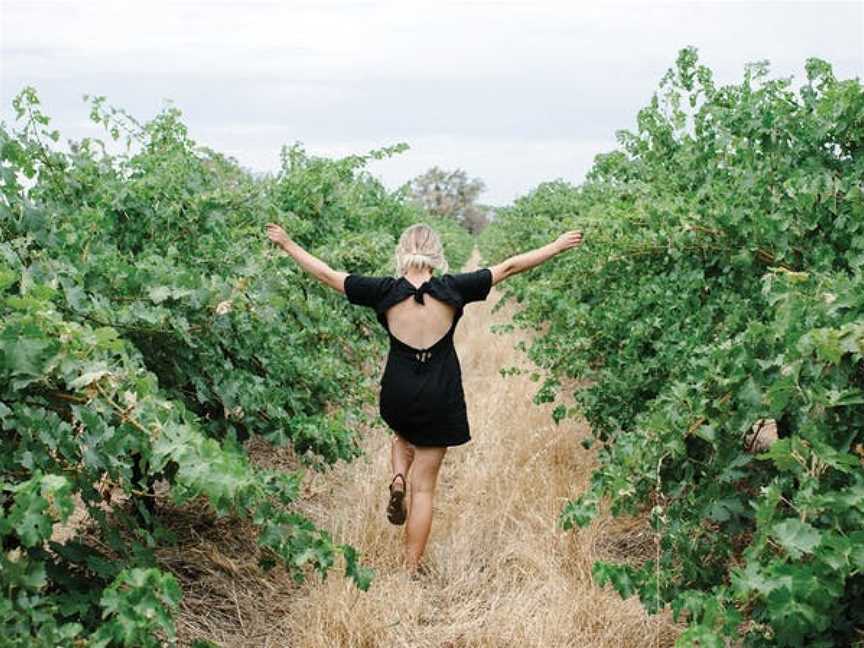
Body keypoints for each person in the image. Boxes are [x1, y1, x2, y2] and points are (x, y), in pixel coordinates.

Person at [265, 221, 583, 574]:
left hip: (398, 390)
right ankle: (410, 568)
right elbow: (509, 266)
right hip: (440, 391)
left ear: (402, 253)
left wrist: (288, 243)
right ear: (436, 254)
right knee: (426, 490)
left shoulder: (382, 290)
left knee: (402, 434)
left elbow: (326, 274)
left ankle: (398, 475)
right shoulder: (453, 287)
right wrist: (556, 246)